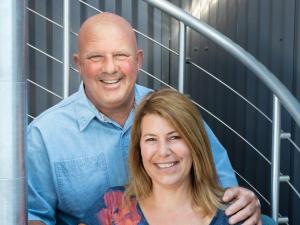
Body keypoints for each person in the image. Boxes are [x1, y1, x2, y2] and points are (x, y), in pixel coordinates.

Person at [27, 12, 261, 225]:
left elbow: (223, 188)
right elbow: (32, 217)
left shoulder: (174, 113)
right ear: (78, 64)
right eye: (96, 57)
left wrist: (244, 203)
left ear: (138, 60)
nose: (110, 68)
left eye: (121, 55)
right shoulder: (44, 135)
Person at [79, 88, 239, 225]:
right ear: (139, 150)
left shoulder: (233, 214)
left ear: (195, 144)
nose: (163, 152)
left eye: (175, 137)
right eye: (151, 139)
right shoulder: (113, 205)